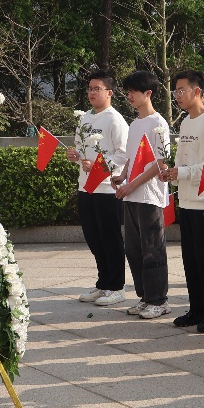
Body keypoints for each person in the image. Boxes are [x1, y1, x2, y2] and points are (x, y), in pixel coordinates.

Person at [162, 70, 204, 333]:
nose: (177, 96)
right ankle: (197, 309)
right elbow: (183, 159)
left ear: (198, 91)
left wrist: (183, 172)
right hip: (188, 199)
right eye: (175, 91)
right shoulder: (186, 122)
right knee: (191, 260)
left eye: (182, 90)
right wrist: (174, 173)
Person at [70, 70, 131, 308]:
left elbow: (124, 153)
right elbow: (79, 147)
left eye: (97, 88)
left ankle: (116, 287)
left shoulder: (115, 120)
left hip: (107, 188)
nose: (92, 93)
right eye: (90, 88)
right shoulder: (85, 118)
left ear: (109, 93)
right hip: (86, 186)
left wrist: (101, 166)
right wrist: (75, 156)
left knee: (110, 238)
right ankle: (103, 283)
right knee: (93, 238)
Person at [113, 71, 171, 320]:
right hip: (132, 194)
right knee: (134, 249)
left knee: (152, 248)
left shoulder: (159, 123)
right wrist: (122, 177)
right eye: (128, 92)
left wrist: (131, 184)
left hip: (150, 196)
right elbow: (131, 158)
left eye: (133, 92)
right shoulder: (135, 124)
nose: (129, 96)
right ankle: (145, 296)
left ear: (148, 93)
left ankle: (159, 300)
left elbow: (160, 164)